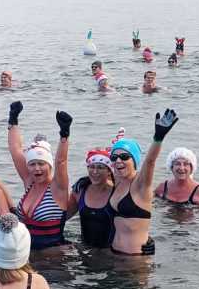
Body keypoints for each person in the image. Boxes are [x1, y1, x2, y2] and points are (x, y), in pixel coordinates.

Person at [109, 109, 179, 255]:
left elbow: (150, 161)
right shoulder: (117, 181)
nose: (119, 160)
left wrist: (158, 138)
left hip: (135, 259)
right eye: (114, 157)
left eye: (124, 156)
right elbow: (96, 169)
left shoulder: (140, 184)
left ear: (134, 160)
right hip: (114, 254)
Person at [7, 101, 71, 250]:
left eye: (41, 164)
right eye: (32, 164)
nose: (37, 169)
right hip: (26, 252)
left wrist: (64, 134)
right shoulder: (29, 181)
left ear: (49, 165)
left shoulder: (58, 187)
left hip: (53, 256)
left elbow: (61, 161)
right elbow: (15, 149)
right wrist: (13, 120)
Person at [66, 146, 115, 248]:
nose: (95, 171)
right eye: (92, 167)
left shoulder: (117, 193)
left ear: (109, 171)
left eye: (100, 167)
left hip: (110, 252)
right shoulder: (80, 190)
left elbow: (132, 221)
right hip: (85, 249)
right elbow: (63, 217)